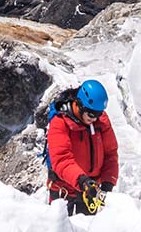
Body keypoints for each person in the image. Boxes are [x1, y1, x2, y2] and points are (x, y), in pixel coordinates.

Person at [45, 79, 119, 215]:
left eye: (98, 114)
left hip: (90, 192)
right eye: (91, 114)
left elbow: (110, 153)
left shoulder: (101, 121)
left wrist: (108, 181)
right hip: (65, 193)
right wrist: (82, 181)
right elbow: (61, 160)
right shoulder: (60, 123)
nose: (95, 119)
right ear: (79, 105)